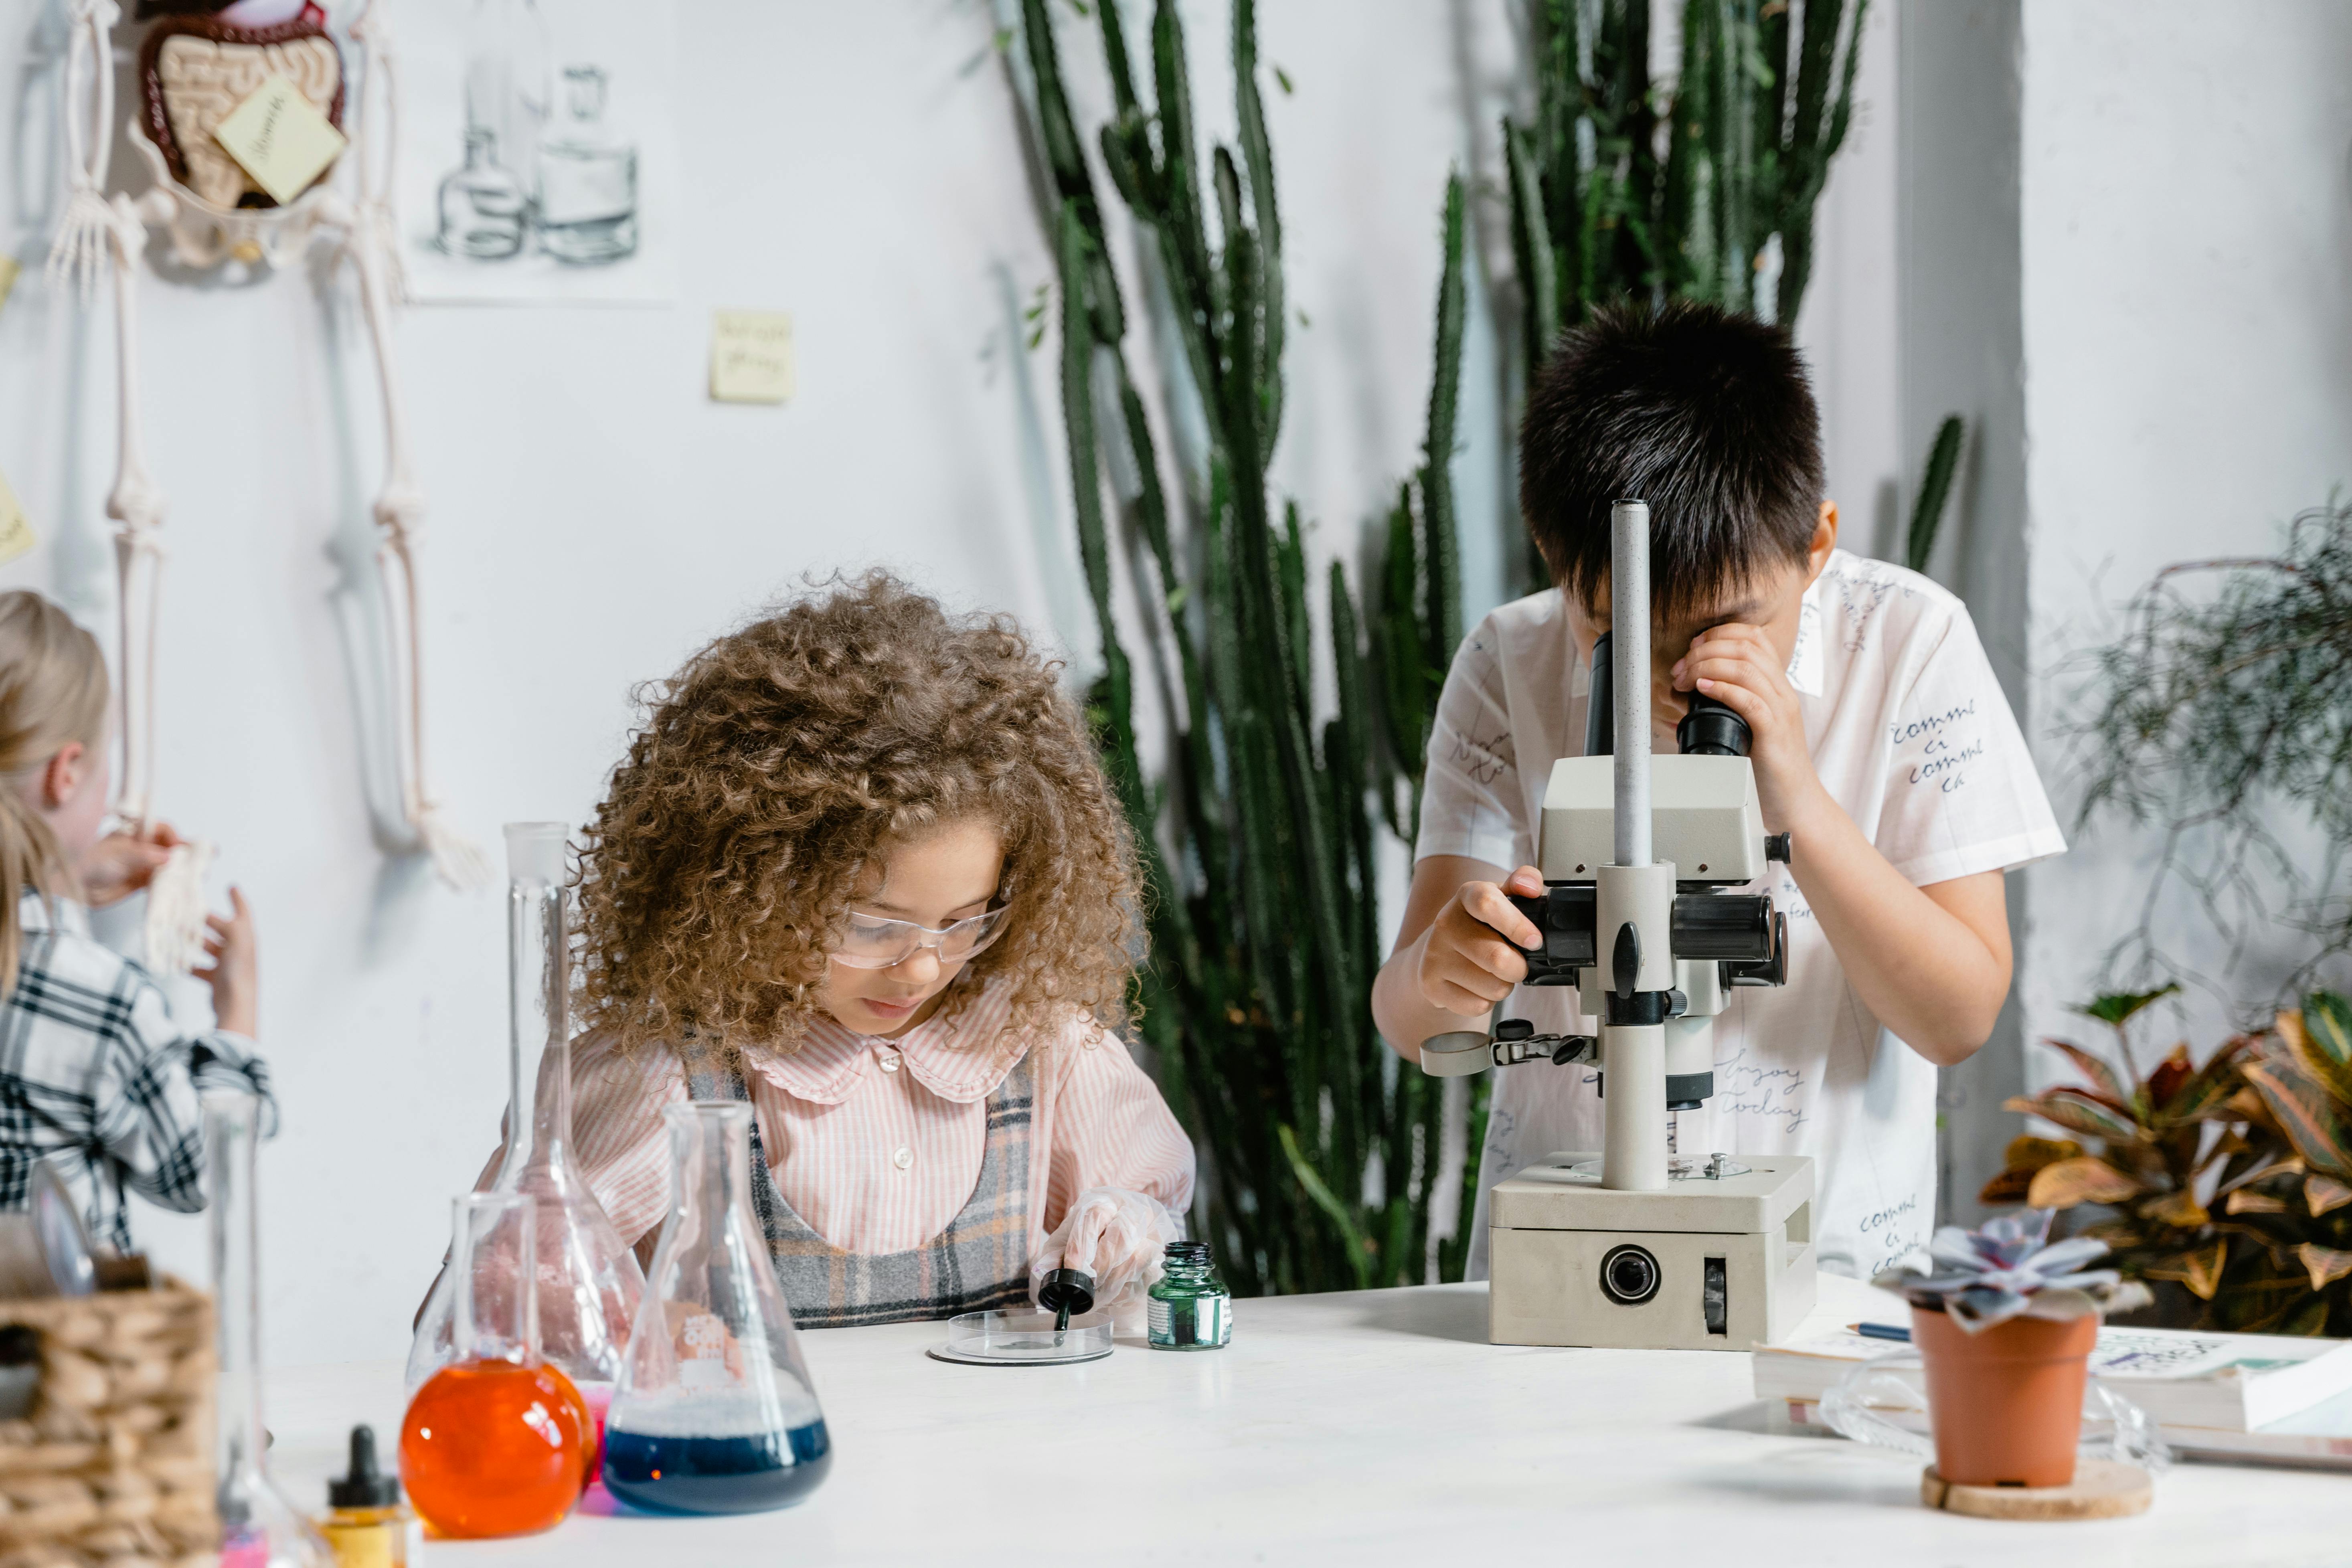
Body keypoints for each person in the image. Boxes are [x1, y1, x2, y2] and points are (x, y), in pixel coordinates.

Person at [1370, 301, 2065, 1281]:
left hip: (1829, 1261)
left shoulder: (1910, 643)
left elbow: (1956, 1018)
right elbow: (1411, 1017)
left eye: (1725, 629)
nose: (1669, 677)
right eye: (1618, 633)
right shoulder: (1507, 661)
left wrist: (1797, 799)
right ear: (1556, 563)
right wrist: (1445, 974)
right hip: (1561, 1260)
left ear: (1815, 545)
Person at [544, 574, 1194, 1327]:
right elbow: (507, 1295)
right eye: (872, 925)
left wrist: (1125, 1234)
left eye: (964, 920)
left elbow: (1152, 1209)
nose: (922, 968)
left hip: (1005, 1446)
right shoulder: (670, 1076)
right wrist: (637, 1326)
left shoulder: (1044, 1044)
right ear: (748, 892)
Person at [0, 591, 268, 1252]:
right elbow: (201, 1170)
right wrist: (238, 1012)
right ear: (68, 773)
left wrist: (60, 884)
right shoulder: (101, 999)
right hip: (54, 1354)